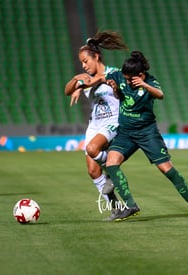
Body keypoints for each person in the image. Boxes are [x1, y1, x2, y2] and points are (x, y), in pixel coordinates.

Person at [104, 51, 188, 222]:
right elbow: (114, 90)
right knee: (111, 163)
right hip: (126, 133)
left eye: (131, 79)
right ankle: (131, 205)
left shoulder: (150, 82)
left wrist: (144, 85)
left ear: (141, 75)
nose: (128, 82)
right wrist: (114, 89)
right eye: (126, 79)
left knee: (167, 169)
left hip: (147, 132)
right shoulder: (119, 77)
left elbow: (160, 95)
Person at [65, 31, 128, 208]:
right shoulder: (86, 80)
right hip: (95, 124)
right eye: (81, 63)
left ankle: (113, 171)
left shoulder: (113, 73)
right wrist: (76, 80)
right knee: (92, 171)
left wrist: (115, 88)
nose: (83, 66)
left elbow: (123, 90)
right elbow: (67, 90)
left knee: (93, 148)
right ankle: (115, 207)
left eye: (86, 61)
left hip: (113, 121)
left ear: (97, 56)